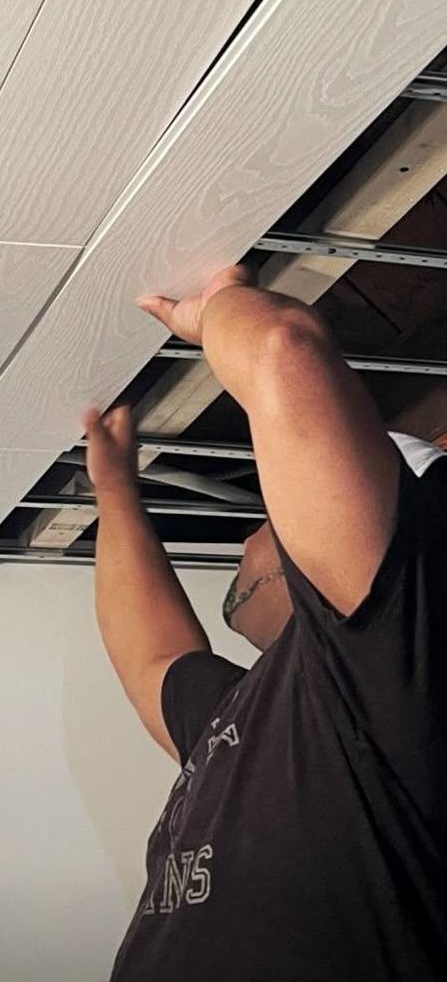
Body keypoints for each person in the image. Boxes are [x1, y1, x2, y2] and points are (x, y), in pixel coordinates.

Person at [85, 264, 447, 981]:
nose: (262, 521)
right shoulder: (388, 667)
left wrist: (114, 490)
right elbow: (283, 346)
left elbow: (151, 662)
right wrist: (219, 308)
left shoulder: (293, 713)